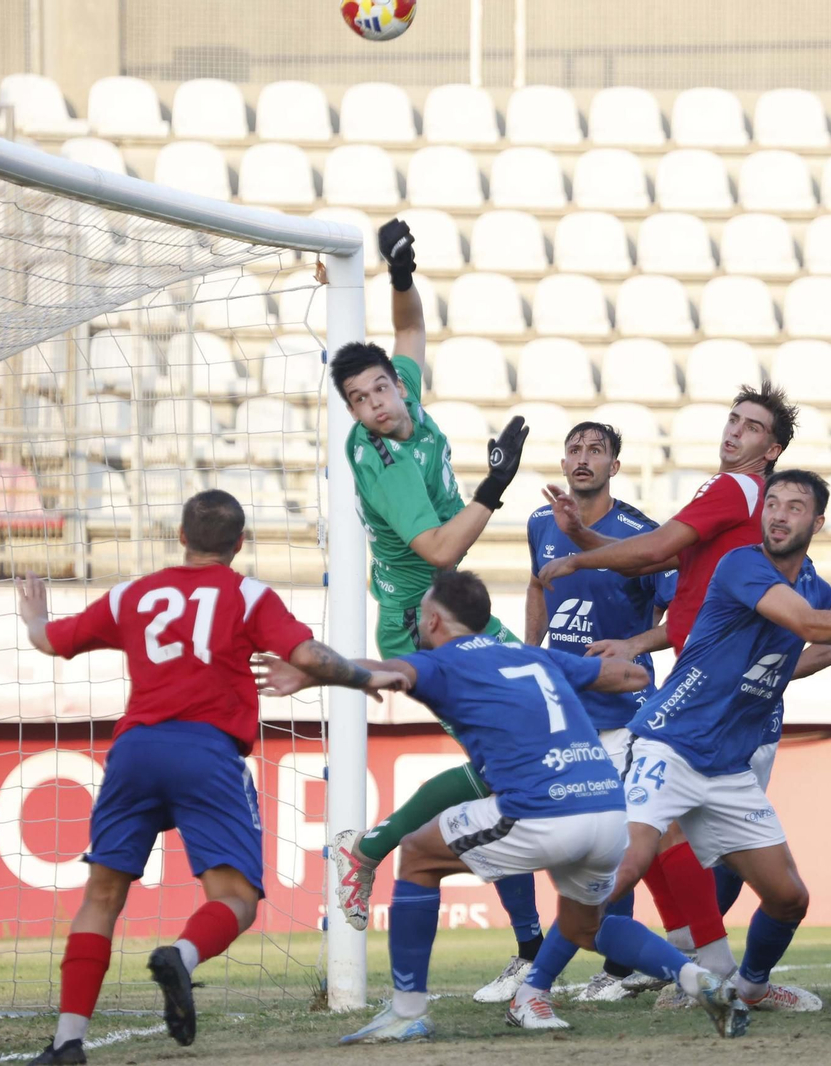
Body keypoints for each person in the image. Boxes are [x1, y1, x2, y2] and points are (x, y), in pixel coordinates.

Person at [509, 470, 831, 1027]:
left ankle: (747, 986)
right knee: (617, 876)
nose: (777, 514)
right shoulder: (743, 564)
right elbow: (805, 623)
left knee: (789, 897)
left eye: (794, 507)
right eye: (772, 503)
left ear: (817, 523)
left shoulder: (815, 587)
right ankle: (532, 989)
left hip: (726, 770)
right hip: (668, 746)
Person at [260, 571, 750, 1038]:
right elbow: (626, 676)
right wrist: (615, 672)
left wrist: (313, 672)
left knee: (417, 853)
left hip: (543, 809)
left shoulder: (444, 662)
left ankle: (407, 1012)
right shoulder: (532, 656)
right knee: (588, 925)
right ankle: (697, 980)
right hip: (607, 810)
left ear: (433, 621)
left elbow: (381, 674)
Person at [12, 491, 408, 1065]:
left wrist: (34, 616)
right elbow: (310, 655)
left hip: (136, 750)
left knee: (101, 898)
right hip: (207, 753)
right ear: (239, 543)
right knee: (237, 899)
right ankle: (183, 956)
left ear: (180, 536)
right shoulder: (249, 596)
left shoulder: (134, 593)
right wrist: (358, 677)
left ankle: (68, 1042)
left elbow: (51, 642)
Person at [326, 216, 542, 1008]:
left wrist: (401, 270)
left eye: (380, 388)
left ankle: (380, 852)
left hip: (459, 610)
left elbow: (410, 327)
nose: (378, 405)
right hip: (425, 619)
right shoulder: (378, 461)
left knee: (510, 757)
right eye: (360, 401)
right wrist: (494, 485)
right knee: (505, 762)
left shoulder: (405, 388)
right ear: (353, 414)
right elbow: (441, 550)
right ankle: (378, 852)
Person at [534, 384, 801, 996]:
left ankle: (548, 978)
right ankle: (714, 969)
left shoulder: (732, 488)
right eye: (732, 419)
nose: (733, 432)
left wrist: (578, 559)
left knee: (632, 847)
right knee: (680, 846)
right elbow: (661, 565)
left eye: (751, 427)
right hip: (722, 703)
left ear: (772, 449)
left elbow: (654, 550)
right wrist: (590, 547)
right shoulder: (752, 514)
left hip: (705, 702)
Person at [528, 420, 677, 1002]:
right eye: (574, 449)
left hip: (625, 711)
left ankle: (620, 968)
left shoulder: (643, 534)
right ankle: (618, 958)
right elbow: (539, 584)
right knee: (578, 839)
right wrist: (532, 652)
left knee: (614, 841)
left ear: (615, 465)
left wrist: (635, 647)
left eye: (596, 450)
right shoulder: (542, 522)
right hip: (567, 711)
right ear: (563, 463)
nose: (583, 458)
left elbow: (674, 617)